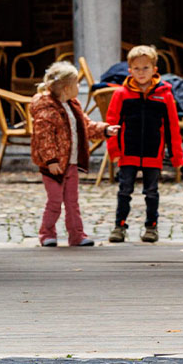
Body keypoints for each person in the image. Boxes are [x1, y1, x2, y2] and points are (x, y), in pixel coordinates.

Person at [29, 61, 117, 247]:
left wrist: (105, 130)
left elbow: (86, 126)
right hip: (54, 166)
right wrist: (51, 160)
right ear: (67, 88)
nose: (79, 87)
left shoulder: (73, 105)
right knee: (54, 201)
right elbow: (43, 138)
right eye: (77, 84)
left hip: (71, 163)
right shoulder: (46, 110)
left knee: (72, 202)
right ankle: (47, 233)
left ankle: (77, 235)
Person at [104, 45, 183, 243]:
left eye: (145, 68)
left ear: (155, 69)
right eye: (136, 69)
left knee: (151, 192)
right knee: (124, 191)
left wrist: (176, 156)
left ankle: (151, 227)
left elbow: (172, 127)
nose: (141, 73)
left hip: (153, 152)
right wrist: (113, 150)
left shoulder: (165, 95)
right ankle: (119, 226)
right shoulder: (121, 94)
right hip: (128, 152)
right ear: (129, 70)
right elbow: (112, 123)